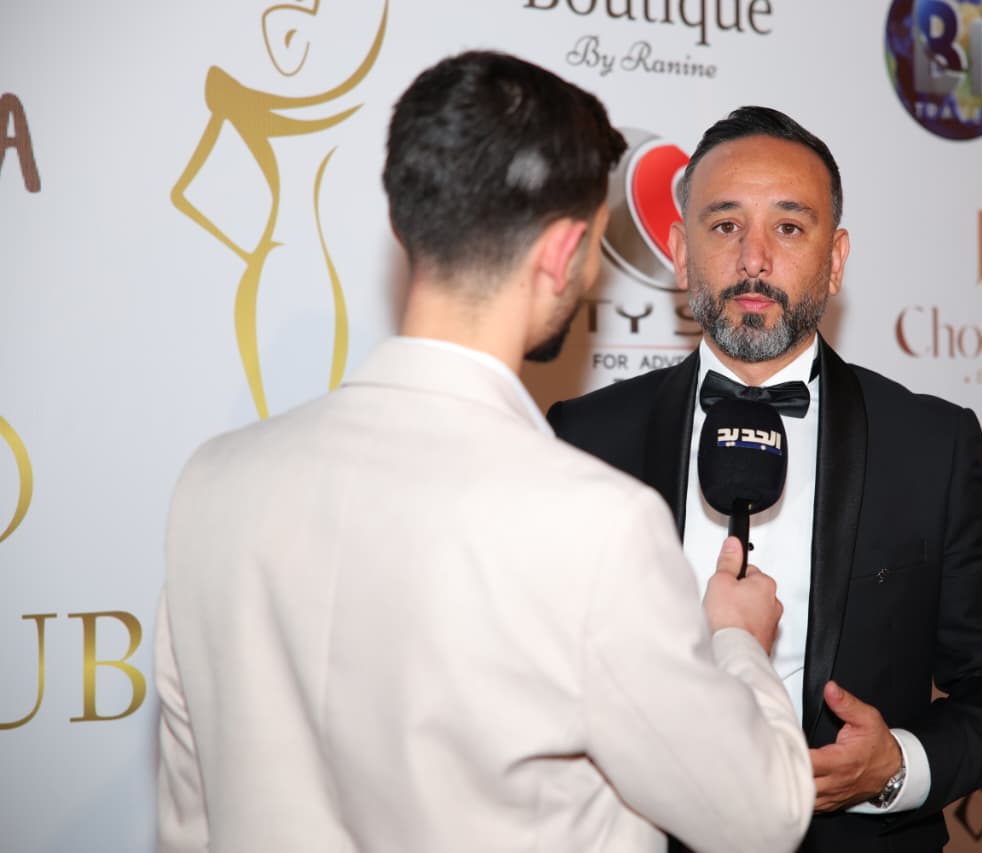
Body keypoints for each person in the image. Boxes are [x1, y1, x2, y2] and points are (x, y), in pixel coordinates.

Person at [154, 56, 814, 853]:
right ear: (563, 252)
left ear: (404, 225)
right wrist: (737, 638)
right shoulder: (595, 524)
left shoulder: (212, 482)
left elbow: (190, 823)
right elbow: (761, 818)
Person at [548, 106, 982, 852]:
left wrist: (894, 768)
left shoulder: (930, 445)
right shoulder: (584, 439)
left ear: (835, 259)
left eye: (788, 227)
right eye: (725, 226)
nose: (754, 258)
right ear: (681, 254)